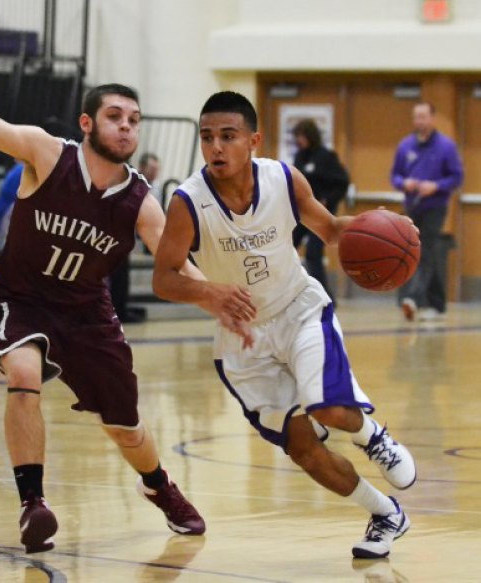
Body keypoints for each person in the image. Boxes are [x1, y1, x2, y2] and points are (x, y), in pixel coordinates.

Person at [0, 48, 206, 554]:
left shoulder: (140, 199)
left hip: (87, 314)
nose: (126, 128)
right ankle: (33, 506)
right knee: (24, 373)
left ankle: (159, 485)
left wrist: (222, 300)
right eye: (115, 117)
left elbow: (175, 264)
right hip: (20, 298)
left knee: (126, 428)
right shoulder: (48, 153)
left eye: (134, 121)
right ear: (87, 122)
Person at [153, 91, 417, 559]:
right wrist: (210, 292)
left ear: (253, 140)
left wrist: (385, 225)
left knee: (329, 408)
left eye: (228, 137)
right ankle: (386, 514)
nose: (216, 147)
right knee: (303, 449)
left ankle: (373, 438)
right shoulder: (188, 202)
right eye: (208, 137)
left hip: (298, 309)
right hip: (243, 338)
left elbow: (333, 230)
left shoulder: (282, 179)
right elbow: (164, 278)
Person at [390, 101, 464, 322]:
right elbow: (395, 176)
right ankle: (438, 304)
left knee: (426, 250)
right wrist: (405, 183)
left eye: (423, 117)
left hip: (435, 206)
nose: (419, 121)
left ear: (432, 118)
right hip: (412, 206)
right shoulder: (405, 146)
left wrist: (436, 186)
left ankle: (412, 298)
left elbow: (456, 177)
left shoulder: (446, 146)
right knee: (417, 253)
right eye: (416, 117)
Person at [292, 119, 349, 306]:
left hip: (322, 211)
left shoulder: (326, 156)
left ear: (310, 135)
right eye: (296, 136)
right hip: (301, 213)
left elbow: (342, 182)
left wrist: (327, 199)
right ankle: (288, 293)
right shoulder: (300, 157)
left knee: (313, 254)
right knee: (286, 246)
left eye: (301, 136)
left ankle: (326, 298)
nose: (298, 140)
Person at [108, 152, 161, 323]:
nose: (155, 173)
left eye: (157, 169)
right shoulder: (123, 178)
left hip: (126, 232)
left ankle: (121, 309)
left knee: (121, 275)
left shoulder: (149, 185)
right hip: (112, 232)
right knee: (116, 275)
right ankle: (117, 310)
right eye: (152, 169)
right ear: (143, 167)